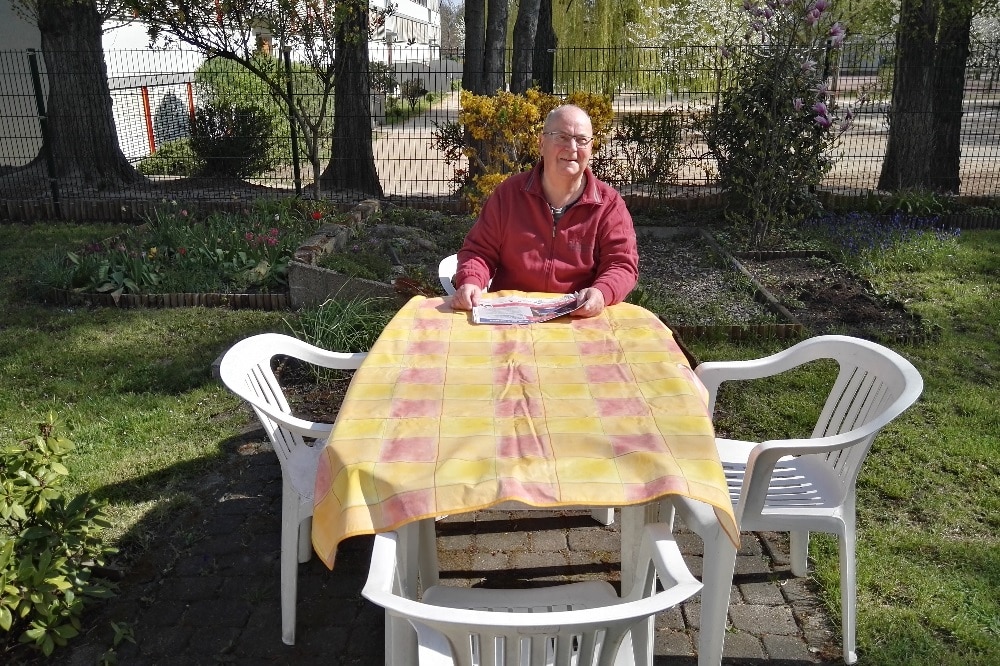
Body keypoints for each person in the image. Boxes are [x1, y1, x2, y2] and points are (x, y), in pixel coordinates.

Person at [450, 104, 639, 318]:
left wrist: (602, 292)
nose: (572, 148)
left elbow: (621, 264)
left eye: (581, 140)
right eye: (562, 137)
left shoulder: (609, 205)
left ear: (591, 147)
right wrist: (471, 281)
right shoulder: (509, 195)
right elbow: (479, 251)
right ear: (541, 143)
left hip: (576, 318)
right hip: (510, 318)